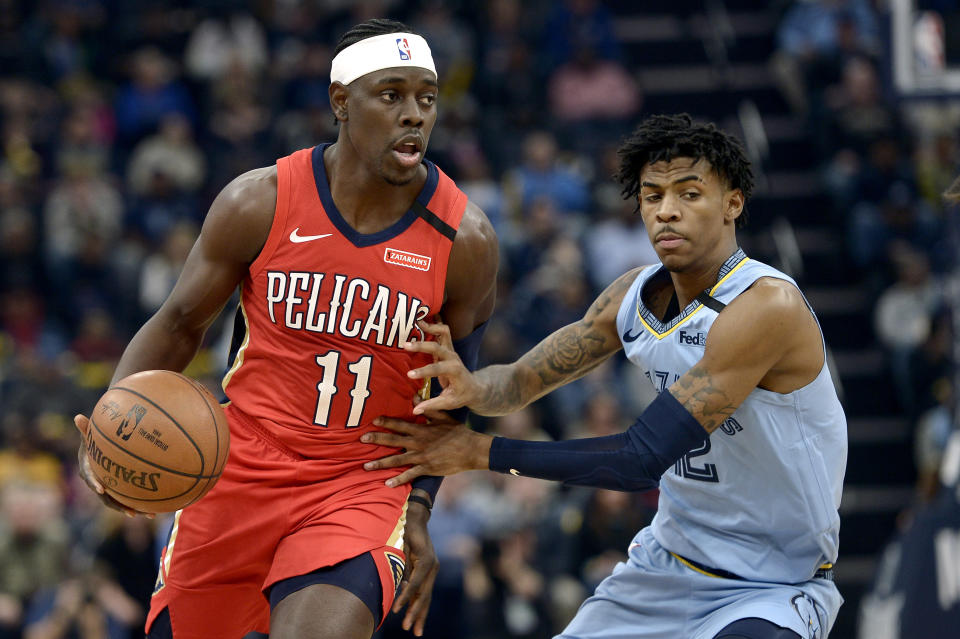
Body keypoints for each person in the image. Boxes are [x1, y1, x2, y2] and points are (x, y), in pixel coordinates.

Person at [72, 18, 498, 639]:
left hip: (360, 481)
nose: (414, 115)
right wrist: (110, 436)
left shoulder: (465, 241)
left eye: (426, 99)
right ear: (340, 102)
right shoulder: (260, 201)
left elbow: (455, 395)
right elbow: (179, 323)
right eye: (392, 95)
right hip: (239, 462)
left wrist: (422, 509)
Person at [362, 113, 847, 638]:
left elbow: (639, 461)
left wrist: (478, 452)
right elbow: (521, 383)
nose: (666, 212)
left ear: (733, 203)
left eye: (689, 194)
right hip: (666, 569)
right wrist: (474, 386)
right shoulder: (633, 295)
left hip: (773, 585)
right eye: (652, 195)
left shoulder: (764, 306)